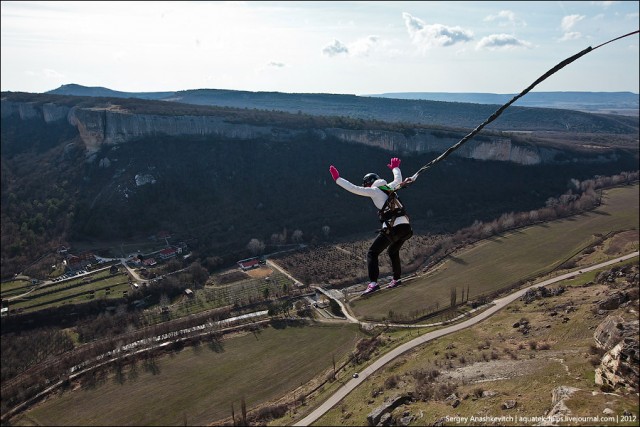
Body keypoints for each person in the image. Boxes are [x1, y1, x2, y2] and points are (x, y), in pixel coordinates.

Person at [329, 157, 413, 294]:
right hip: (406, 228)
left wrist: (338, 179)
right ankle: (396, 279)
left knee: (372, 253)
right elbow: (398, 179)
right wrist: (395, 168)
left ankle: (373, 283)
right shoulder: (390, 187)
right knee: (392, 251)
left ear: (368, 184)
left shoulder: (373, 191)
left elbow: (354, 188)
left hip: (393, 228)